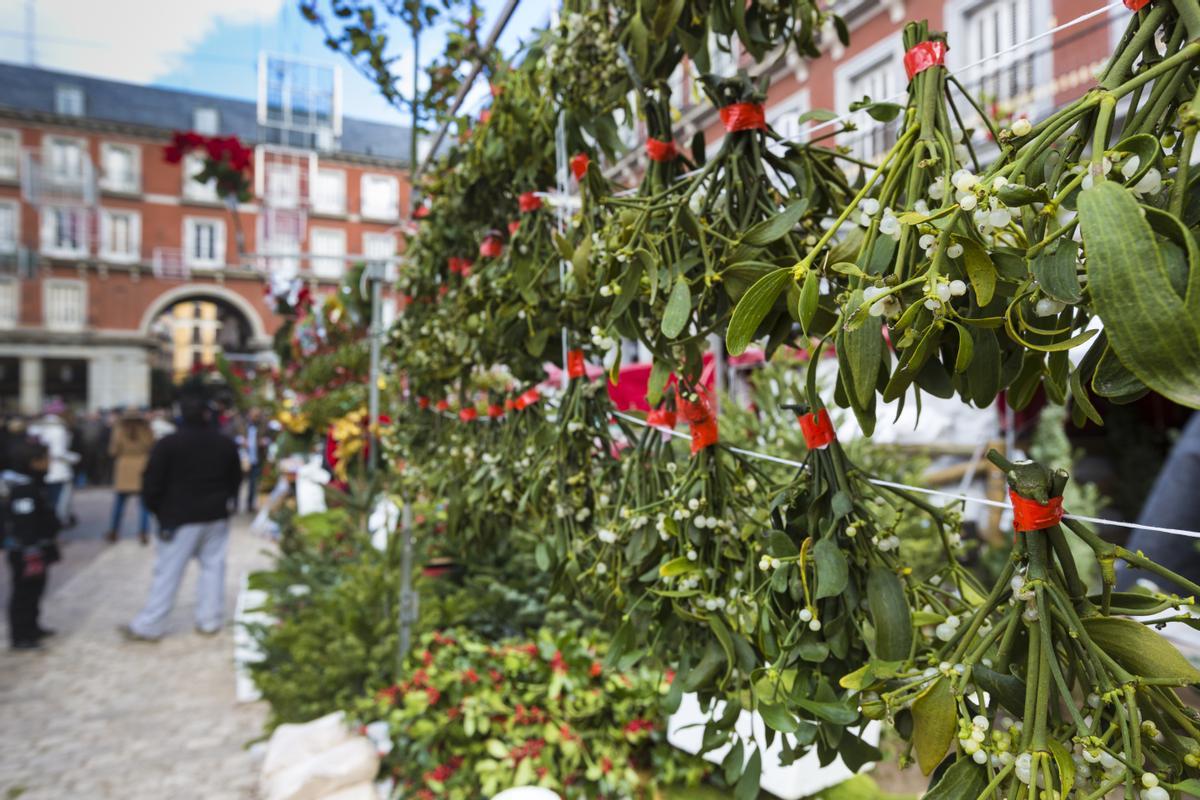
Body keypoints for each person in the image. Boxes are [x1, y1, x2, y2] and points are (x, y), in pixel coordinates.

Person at [120, 389, 242, 641]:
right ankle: (209, 620)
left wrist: (158, 511)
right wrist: (225, 502)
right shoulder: (224, 442)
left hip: (179, 517)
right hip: (214, 514)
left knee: (168, 571)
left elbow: (151, 483)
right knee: (213, 568)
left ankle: (150, 625)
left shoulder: (168, 444)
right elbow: (235, 479)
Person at [2, 438, 60, 651]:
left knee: (36, 590)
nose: (49, 462)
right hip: (27, 551)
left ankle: (32, 626)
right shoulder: (23, 488)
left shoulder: (35, 484)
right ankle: (21, 635)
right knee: (24, 593)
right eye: (46, 459)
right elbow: (24, 522)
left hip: (38, 547)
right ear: (33, 462)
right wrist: (30, 549)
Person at [28, 400, 80, 528]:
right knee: (59, 502)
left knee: (45, 500)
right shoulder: (58, 429)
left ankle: (46, 526)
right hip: (58, 470)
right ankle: (55, 528)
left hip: (38, 468)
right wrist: (75, 458)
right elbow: (58, 452)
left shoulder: (36, 427)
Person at [107, 409, 155, 544]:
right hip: (142, 466)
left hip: (124, 466)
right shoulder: (146, 429)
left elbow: (113, 450)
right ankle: (143, 532)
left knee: (119, 504)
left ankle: (114, 531)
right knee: (144, 505)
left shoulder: (119, 429)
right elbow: (152, 446)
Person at [238, 408, 268, 513]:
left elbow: (268, 437)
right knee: (241, 482)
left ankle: (251, 505)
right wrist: (241, 441)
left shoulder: (263, 426)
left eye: (257, 416)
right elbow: (234, 436)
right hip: (244, 459)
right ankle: (238, 505)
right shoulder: (243, 425)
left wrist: (264, 442)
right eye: (254, 415)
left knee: (254, 482)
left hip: (257, 458)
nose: (256, 418)